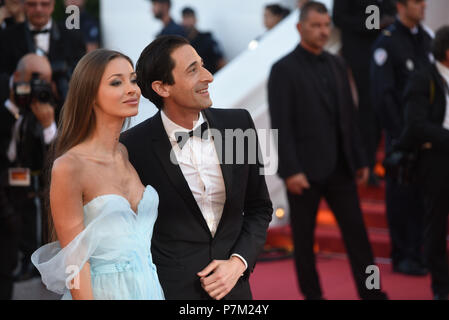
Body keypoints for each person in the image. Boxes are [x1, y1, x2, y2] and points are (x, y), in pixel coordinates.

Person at [120, 35, 273, 300]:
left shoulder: (237, 125)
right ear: (162, 88)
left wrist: (238, 263)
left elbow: (259, 208)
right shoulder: (132, 146)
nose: (208, 76)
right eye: (193, 70)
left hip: (234, 291)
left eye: (203, 65)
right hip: (168, 291)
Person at [268, 1, 387, 300]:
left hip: (342, 167)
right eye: (316, 26)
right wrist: (291, 170)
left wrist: (361, 159)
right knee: (304, 244)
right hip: (303, 172)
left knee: (358, 237)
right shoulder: (283, 69)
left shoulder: (338, 64)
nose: (323, 32)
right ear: (299, 28)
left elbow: (350, 117)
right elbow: (280, 124)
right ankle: (313, 297)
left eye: (326, 26)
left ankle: (371, 292)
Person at [31, 49, 165, 300]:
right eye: (116, 82)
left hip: (149, 288)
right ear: (89, 95)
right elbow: (75, 264)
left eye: (133, 80)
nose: (132, 89)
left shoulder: (125, 153)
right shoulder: (70, 166)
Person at [370, 0, 432, 276]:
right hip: (402, 136)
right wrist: (402, 135)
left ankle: (421, 252)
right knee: (402, 197)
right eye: (417, 2)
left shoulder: (426, 40)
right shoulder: (387, 43)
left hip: (428, 134)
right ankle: (403, 255)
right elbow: (383, 96)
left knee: (425, 197)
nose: (423, 6)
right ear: (401, 5)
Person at [399, 25, 449, 300]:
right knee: (436, 224)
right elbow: (415, 124)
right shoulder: (423, 78)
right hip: (435, 161)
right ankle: (441, 287)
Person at [0, 53, 56, 297]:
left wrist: (48, 127)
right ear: (15, 78)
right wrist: (13, 109)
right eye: (32, 81)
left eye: (43, 81)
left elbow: (55, 164)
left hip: (29, 197)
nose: (36, 88)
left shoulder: (50, 107)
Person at [333, 0, 396, 186]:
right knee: (368, 110)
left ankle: (384, 163)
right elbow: (339, 18)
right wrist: (373, 24)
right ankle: (366, 165)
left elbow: (390, 10)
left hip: (384, 50)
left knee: (386, 105)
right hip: (360, 54)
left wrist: (386, 20)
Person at [0, 0, 85, 103]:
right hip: (20, 108)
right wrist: (21, 80)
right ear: (24, 5)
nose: (38, 9)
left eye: (45, 4)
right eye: (32, 4)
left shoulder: (73, 37)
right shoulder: (7, 37)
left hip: (61, 111)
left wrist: (63, 83)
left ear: (53, 5)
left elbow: (82, 75)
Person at [181, 7, 226, 74]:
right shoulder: (183, 45)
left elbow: (221, 63)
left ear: (195, 19)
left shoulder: (207, 39)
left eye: (189, 17)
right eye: (184, 18)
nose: (187, 22)